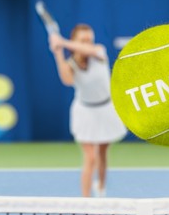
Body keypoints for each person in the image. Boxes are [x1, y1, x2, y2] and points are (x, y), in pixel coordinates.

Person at [49, 24, 127, 197]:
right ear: (75, 40)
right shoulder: (71, 64)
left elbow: (86, 49)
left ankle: (101, 186)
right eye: (83, 40)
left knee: (102, 153)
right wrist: (58, 53)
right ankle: (86, 202)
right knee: (90, 158)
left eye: (89, 40)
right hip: (85, 112)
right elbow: (67, 80)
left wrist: (61, 42)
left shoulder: (99, 52)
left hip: (106, 109)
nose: (88, 43)